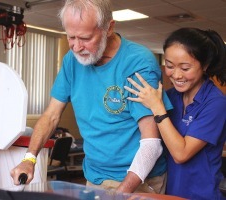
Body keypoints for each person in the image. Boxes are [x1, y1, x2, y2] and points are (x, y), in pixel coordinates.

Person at [10, 0, 172, 194]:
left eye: (85, 38)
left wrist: (119, 195)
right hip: (94, 177)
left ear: (108, 28)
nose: (77, 47)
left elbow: (151, 145)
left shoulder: (138, 63)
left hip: (139, 178)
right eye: (71, 37)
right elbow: (51, 115)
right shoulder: (72, 61)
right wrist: (30, 159)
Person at [124, 27, 226, 199]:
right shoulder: (171, 97)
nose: (176, 75)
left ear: (205, 66)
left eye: (185, 68)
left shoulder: (216, 102)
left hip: (202, 194)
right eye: (170, 66)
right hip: (171, 191)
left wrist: (157, 107)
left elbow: (181, 154)